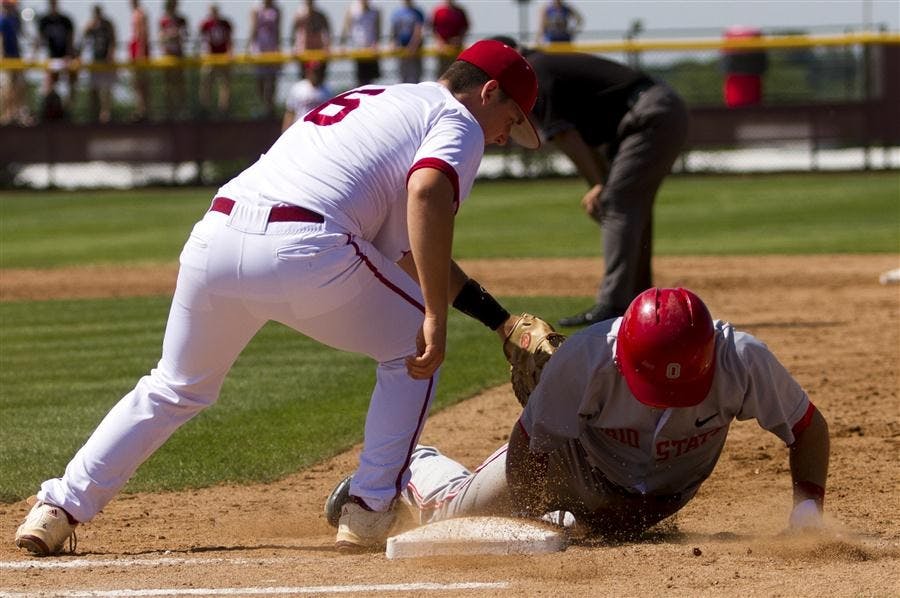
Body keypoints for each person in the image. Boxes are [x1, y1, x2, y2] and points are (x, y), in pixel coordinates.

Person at [13, 38, 541, 557]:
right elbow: (427, 194)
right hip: (304, 247)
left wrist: (497, 320)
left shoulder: (383, 96)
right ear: (489, 92)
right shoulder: (459, 121)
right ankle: (370, 507)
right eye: (513, 119)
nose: (502, 137)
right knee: (415, 348)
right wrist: (433, 316)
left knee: (172, 387)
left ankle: (57, 507)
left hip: (215, 237)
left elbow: (399, 247)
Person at [326, 287, 831, 540]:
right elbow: (530, 447)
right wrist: (534, 512)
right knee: (458, 516)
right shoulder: (586, 359)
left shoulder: (743, 359)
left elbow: (807, 428)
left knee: (600, 527)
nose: (661, 398)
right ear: (623, 356)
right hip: (570, 465)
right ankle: (416, 463)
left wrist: (807, 510)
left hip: (659, 498)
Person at [495, 37, 689, 328]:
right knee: (628, 206)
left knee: (617, 203)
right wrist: (600, 184)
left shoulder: (534, 71)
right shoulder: (542, 66)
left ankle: (614, 304)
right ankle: (642, 303)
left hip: (649, 115)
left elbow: (566, 138)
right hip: (655, 111)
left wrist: (598, 185)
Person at [34, 0, 76, 115]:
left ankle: (68, 108)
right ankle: (48, 109)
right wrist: (34, 55)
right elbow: (39, 39)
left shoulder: (65, 20)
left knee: (71, 81)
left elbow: (70, 40)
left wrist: (69, 55)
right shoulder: (44, 20)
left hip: (66, 56)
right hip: (52, 57)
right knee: (49, 82)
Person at [80, 4, 116, 123]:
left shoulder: (107, 24)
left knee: (106, 89)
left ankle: (106, 114)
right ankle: (94, 113)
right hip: (95, 60)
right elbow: (83, 39)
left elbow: (113, 40)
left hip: (106, 61)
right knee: (94, 88)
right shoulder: (91, 25)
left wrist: (110, 55)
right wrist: (88, 27)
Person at [0, 0, 33, 126]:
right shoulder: (2, 19)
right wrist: (2, 57)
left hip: (16, 56)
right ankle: (6, 115)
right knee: (7, 88)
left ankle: (16, 112)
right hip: (6, 58)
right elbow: (1, 39)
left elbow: (23, 35)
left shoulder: (15, 19)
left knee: (20, 86)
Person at [247, 0, 281, 118]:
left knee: (271, 79)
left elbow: (278, 30)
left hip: (272, 47)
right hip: (259, 47)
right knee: (260, 80)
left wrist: (278, 48)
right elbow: (253, 28)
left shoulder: (276, 9)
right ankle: (262, 104)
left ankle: (270, 107)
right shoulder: (256, 9)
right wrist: (249, 46)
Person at [198, 3, 232, 117]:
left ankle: (223, 108)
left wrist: (229, 52)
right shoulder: (205, 24)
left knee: (224, 83)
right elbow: (202, 39)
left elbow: (229, 39)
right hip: (210, 57)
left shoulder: (225, 24)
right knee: (206, 82)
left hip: (222, 56)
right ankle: (205, 106)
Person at [158, 0, 188, 120]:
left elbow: (185, 36)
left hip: (179, 54)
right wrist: (168, 36)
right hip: (167, 54)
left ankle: (182, 109)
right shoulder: (163, 20)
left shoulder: (181, 20)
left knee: (180, 83)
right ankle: (168, 109)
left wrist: (177, 35)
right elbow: (160, 37)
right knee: (168, 83)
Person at [281, 60, 331, 132]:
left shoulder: (327, 90)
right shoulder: (298, 88)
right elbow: (290, 112)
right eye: (312, 71)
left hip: (319, 129)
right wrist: (284, 132)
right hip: (300, 129)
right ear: (307, 71)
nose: (314, 74)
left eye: (317, 71)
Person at [340, 0, 381, 86]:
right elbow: (346, 27)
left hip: (371, 48)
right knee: (360, 77)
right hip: (357, 48)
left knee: (371, 78)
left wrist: (376, 43)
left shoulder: (375, 11)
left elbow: (377, 30)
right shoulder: (352, 10)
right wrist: (343, 44)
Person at [290, 0, 330, 78]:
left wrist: (327, 46)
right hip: (303, 52)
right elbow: (293, 34)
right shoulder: (299, 16)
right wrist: (294, 47)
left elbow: (327, 32)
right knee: (304, 77)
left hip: (318, 52)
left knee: (319, 76)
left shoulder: (320, 16)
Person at [429, 0, 468, 77]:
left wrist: (459, 39)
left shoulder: (460, 11)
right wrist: (439, 41)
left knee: (455, 71)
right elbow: (433, 28)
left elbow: (465, 27)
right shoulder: (438, 11)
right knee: (442, 71)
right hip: (442, 47)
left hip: (456, 47)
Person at [390, 0, 424, 84]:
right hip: (401, 47)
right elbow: (394, 31)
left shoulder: (418, 13)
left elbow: (418, 30)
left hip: (415, 49)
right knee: (403, 75)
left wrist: (413, 45)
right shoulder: (397, 13)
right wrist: (393, 43)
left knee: (415, 75)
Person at [128, 0, 150, 121]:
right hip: (136, 48)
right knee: (137, 83)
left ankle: (143, 110)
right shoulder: (136, 13)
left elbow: (142, 33)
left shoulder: (140, 14)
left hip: (139, 49)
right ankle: (140, 109)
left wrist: (140, 52)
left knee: (141, 82)